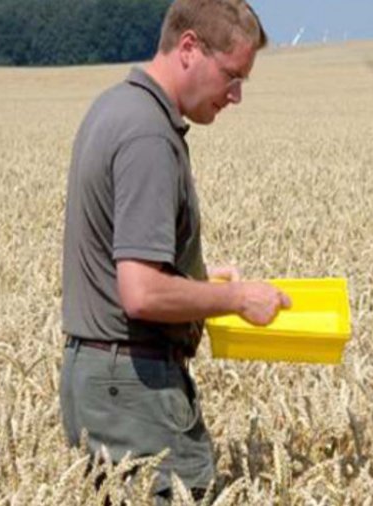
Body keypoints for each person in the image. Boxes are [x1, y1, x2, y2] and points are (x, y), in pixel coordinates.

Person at [58, 0, 290, 501]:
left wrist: (200, 280)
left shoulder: (114, 106)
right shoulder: (148, 136)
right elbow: (140, 293)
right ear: (189, 48)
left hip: (99, 378)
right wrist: (236, 300)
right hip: (134, 390)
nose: (237, 95)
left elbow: (123, 259)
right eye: (232, 75)